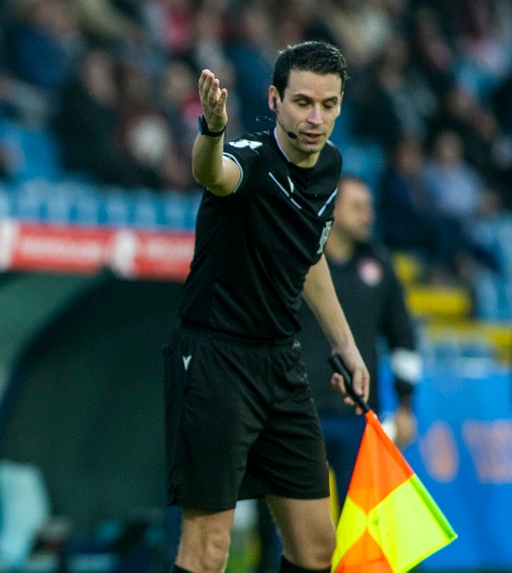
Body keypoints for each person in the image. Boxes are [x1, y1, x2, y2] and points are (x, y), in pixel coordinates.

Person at [163, 41, 370, 573]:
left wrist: (346, 346)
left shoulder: (331, 167)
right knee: (209, 548)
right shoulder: (251, 158)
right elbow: (214, 174)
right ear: (275, 99)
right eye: (302, 102)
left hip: (282, 364)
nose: (315, 117)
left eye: (328, 104)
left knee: (317, 548)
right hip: (216, 361)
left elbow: (309, 254)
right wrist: (212, 130)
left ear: (341, 105)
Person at [254, 174, 422, 573]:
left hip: (357, 417)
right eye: (357, 206)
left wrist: (405, 405)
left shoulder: (380, 264)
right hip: (295, 415)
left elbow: (403, 340)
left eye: (369, 205)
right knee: (281, 531)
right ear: (332, 210)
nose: (369, 214)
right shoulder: (294, 259)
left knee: (365, 535)